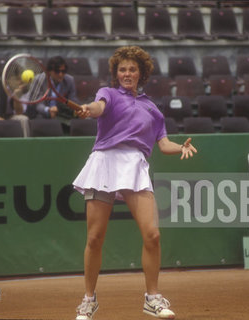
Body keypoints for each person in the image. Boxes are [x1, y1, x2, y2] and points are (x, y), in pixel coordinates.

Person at [72, 46, 197, 320]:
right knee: (94, 238)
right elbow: (98, 107)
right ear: (116, 73)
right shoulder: (108, 94)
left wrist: (180, 147)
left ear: (141, 73)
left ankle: (152, 299)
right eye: (122, 69)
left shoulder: (152, 108)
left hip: (134, 165)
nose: (127, 73)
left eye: (132, 69)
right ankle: (88, 300)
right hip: (104, 162)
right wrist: (88, 110)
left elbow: (163, 144)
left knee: (152, 234)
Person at [30, 56, 77, 120]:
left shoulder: (69, 80)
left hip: (61, 114)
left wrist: (60, 109)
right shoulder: (39, 80)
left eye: (63, 71)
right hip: (41, 114)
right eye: (57, 71)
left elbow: (72, 101)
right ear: (49, 71)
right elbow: (37, 103)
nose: (60, 74)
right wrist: (48, 110)